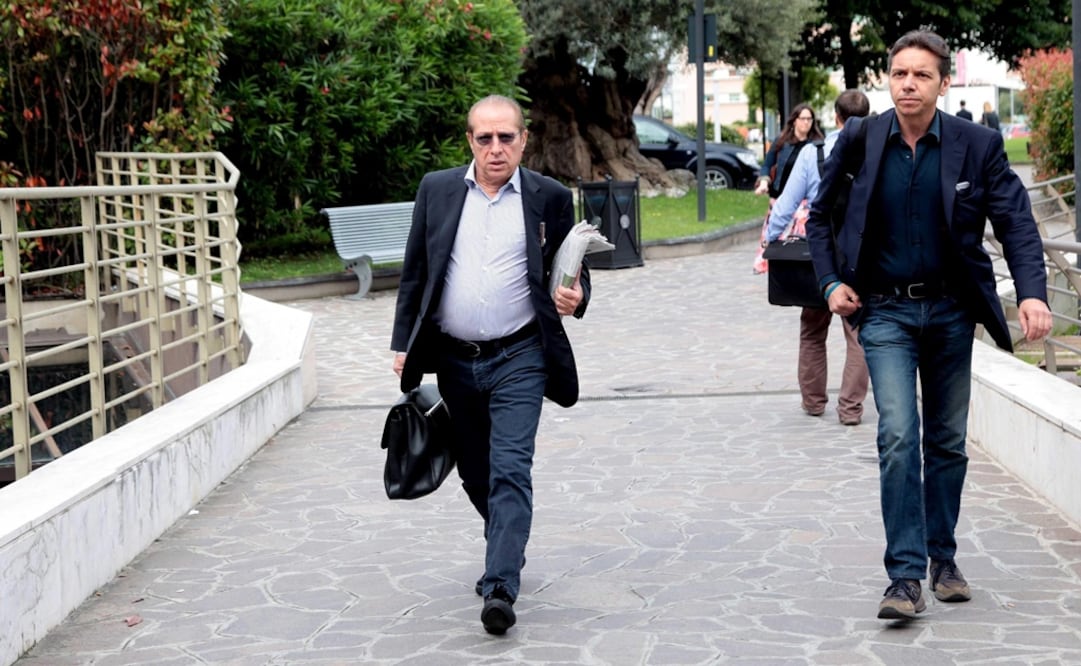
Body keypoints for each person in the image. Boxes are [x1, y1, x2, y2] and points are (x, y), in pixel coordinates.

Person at [806, 30, 1052, 621]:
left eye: (921, 75)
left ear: (944, 83)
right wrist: (830, 282)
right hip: (885, 310)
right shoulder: (862, 140)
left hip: (950, 311)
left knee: (945, 442)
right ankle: (905, 576)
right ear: (887, 81)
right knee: (897, 435)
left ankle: (943, 559)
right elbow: (819, 215)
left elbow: (1015, 221)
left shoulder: (977, 145)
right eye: (898, 74)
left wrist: (1034, 294)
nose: (908, 84)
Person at [390, 94, 591, 635]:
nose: (496, 148)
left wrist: (576, 296)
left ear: (524, 140)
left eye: (507, 137)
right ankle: (508, 538)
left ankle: (500, 584)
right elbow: (416, 272)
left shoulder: (548, 197)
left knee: (509, 468)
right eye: (485, 138)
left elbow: (569, 268)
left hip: (521, 355)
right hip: (455, 360)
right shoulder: (436, 190)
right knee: (476, 472)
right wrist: (402, 342)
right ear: (470, 142)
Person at [764, 90, 871, 426]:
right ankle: (850, 408)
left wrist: (771, 239)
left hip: (819, 253)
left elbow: (787, 201)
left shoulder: (813, 153)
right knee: (858, 334)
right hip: (861, 252)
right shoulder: (877, 149)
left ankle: (813, 402)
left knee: (812, 328)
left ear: (836, 117)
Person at [753, 103, 825, 273]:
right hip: (781, 199)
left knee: (798, 243)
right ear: (794, 121)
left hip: (804, 204)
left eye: (809, 119)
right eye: (803, 119)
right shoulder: (782, 142)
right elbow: (767, 165)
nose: (806, 123)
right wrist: (764, 182)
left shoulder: (817, 145)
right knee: (777, 239)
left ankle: (799, 271)